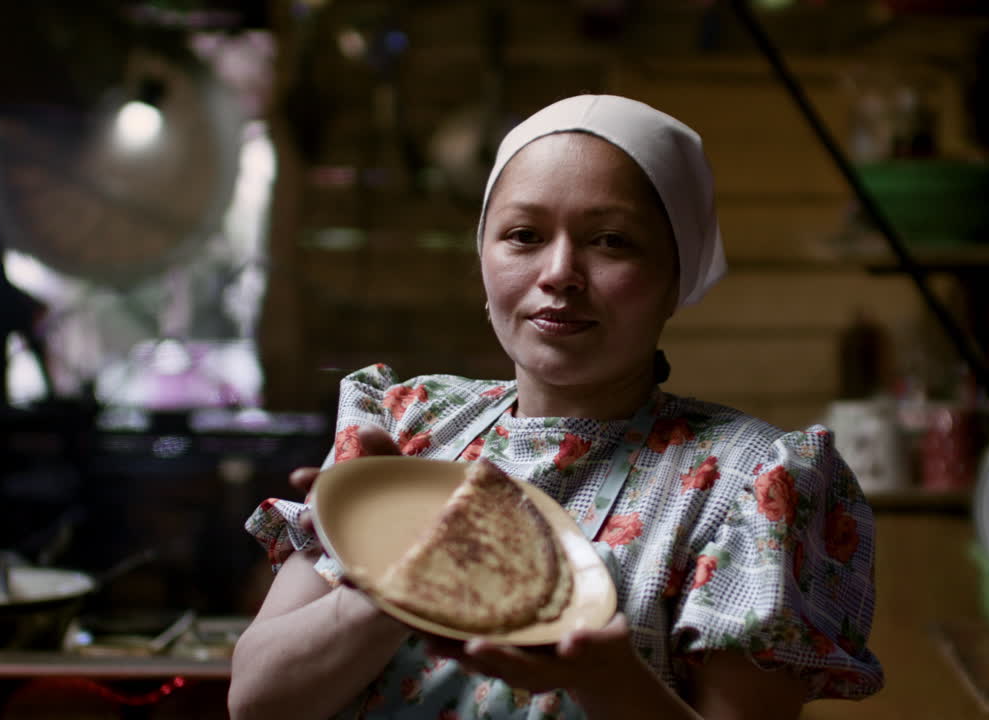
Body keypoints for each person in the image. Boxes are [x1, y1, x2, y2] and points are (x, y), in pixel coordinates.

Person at [228, 94, 883, 720]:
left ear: (676, 276)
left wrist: (604, 679)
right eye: (523, 234)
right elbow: (258, 701)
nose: (560, 273)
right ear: (483, 259)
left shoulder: (749, 482)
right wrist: (401, 583)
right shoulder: (408, 426)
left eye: (611, 241)